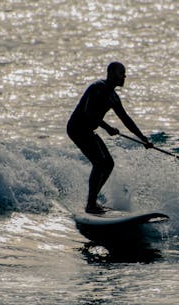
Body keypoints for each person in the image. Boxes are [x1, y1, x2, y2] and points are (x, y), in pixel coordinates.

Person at [67, 62, 153, 214]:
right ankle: (91, 204)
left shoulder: (113, 97)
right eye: (121, 73)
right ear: (111, 73)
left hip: (88, 130)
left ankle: (91, 201)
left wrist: (142, 138)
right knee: (100, 162)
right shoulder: (97, 88)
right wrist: (107, 128)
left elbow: (126, 119)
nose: (124, 76)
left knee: (109, 164)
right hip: (77, 128)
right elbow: (88, 113)